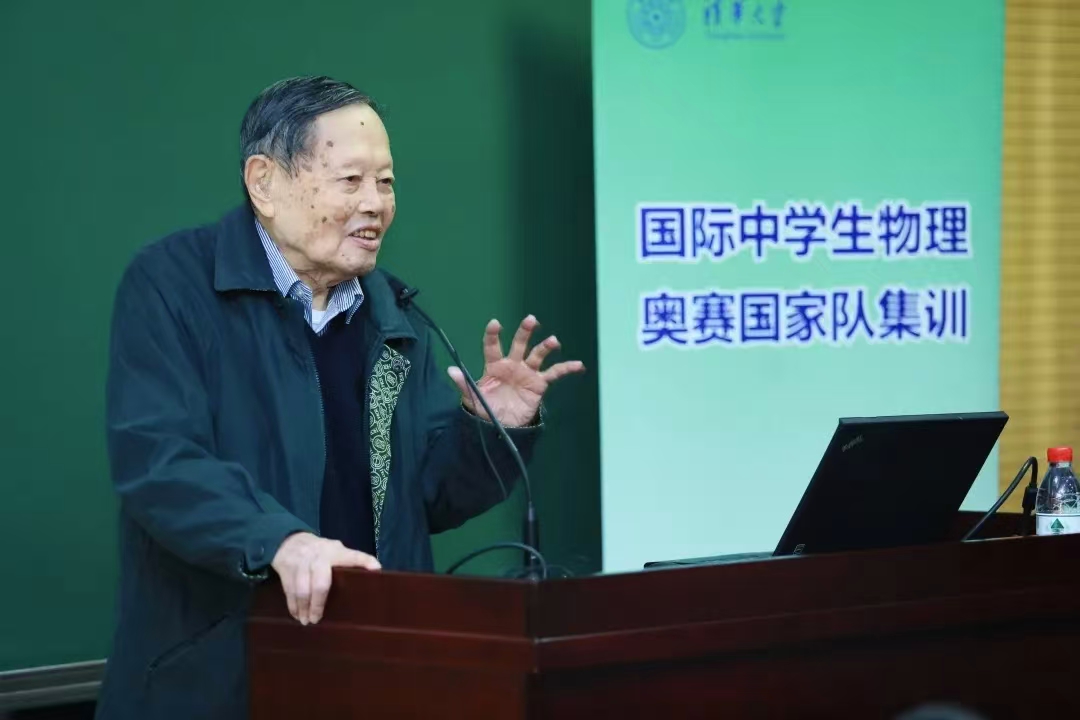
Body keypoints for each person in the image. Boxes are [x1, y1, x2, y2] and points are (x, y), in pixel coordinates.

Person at [95, 75, 584, 720]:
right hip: (221, 678)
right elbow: (159, 461)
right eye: (351, 181)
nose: (375, 204)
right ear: (264, 183)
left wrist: (493, 430)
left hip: (373, 671)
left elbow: (424, 497)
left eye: (386, 182)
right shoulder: (173, 285)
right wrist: (278, 541)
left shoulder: (390, 313)